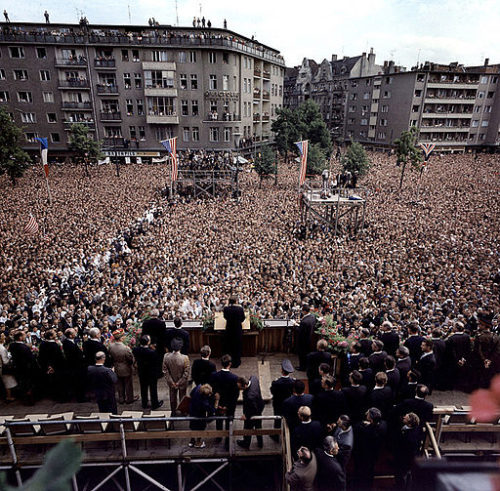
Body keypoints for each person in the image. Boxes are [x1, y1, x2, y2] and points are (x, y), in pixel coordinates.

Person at [353, 408, 388, 491]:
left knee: (360, 470)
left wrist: (364, 424)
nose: (366, 414)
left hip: (363, 454)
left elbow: (356, 427)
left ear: (371, 420)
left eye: (367, 414)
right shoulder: (384, 425)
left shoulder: (364, 430)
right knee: (370, 470)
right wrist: (370, 424)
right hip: (375, 453)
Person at [9, 330, 39, 405]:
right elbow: (31, 359)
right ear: (20, 337)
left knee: (22, 384)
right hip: (27, 368)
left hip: (18, 367)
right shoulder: (24, 347)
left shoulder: (12, 345)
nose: (25, 336)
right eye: (24, 335)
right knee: (28, 385)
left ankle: (24, 398)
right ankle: (30, 401)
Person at [133, 335, 163, 409]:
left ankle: (144, 403)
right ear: (148, 342)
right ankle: (155, 403)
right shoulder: (152, 352)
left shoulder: (136, 350)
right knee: (153, 389)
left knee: (143, 388)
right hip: (151, 373)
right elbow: (157, 361)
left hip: (142, 372)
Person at [394, 412, 422, 489]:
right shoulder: (415, 428)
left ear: (410, 422)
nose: (403, 418)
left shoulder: (410, 437)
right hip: (407, 457)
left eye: (405, 418)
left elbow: (408, 451)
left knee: (402, 476)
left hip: (405, 459)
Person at [109, 328, 137, 404]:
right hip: (126, 368)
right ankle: (129, 399)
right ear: (121, 338)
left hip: (117, 367)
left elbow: (110, 356)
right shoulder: (125, 348)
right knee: (128, 385)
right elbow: (131, 360)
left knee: (119, 384)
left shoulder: (111, 346)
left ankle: (121, 398)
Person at [38, 329, 67, 401]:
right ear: (51, 337)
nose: (56, 334)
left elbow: (41, 356)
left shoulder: (43, 344)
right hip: (55, 366)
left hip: (47, 366)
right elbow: (58, 357)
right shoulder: (54, 345)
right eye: (54, 333)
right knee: (57, 382)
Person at [237, 375, 265, 449]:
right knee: (258, 427)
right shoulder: (254, 379)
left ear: (245, 385)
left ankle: (246, 443)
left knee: (247, 428)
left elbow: (253, 409)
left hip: (253, 412)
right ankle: (260, 443)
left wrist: (246, 415)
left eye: (241, 388)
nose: (240, 389)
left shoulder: (250, 396)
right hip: (260, 405)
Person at [163, 338, 190, 413]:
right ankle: (183, 411)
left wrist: (171, 382)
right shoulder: (185, 358)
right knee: (182, 397)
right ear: (181, 347)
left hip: (171, 382)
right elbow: (186, 373)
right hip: (182, 382)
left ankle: (173, 411)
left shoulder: (166, 357)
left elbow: (165, 371)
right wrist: (179, 382)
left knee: (172, 397)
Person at [270, 359, 295, 437]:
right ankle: (286, 434)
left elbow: (272, 391)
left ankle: (276, 435)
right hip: (288, 403)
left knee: (277, 418)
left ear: (281, 370)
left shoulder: (276, 383)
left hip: (278, 403)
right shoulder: (293, 382)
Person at [63, 328, 87, 402]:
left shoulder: (71, 342)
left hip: (77, 366)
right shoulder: (68, 344)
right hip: (76, 366)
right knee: (78, 383)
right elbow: (74, 356)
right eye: (74, 332)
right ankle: (81, 398)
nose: (76, 332)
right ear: (70, 335)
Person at [189, 383, 215, 448]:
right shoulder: (204, 401)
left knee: (193, 426)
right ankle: (198, 442)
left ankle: (192, 441)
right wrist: (216, 403)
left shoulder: (198, 387)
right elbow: (210, 409)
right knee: (200, 427)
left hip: (192, 410)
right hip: (200, 414)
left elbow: (191, 394)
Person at [141, 309, 167, 375]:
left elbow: (143, 334)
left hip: (148, 343)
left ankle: (150, 372)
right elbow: (164, 335)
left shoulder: (146, 323)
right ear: (158, 315)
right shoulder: (162, 323)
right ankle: (159, 372)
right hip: (159, 344)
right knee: (159, 358)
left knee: (149, 359)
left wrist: (150, 343)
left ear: (150, 314)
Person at [223, 296, 245, 368]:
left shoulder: (226, 309)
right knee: (237, 346)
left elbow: (225, 317)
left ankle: (229, 362)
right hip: (237, 330)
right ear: (236, 301)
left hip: (229, 329)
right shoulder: (240, 309)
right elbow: (242, 318)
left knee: (229, 346)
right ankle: (236, 363)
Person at [296, 304, 316, 371]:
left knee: (302, 354)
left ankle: (302, 367)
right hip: (310, 339)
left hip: (303, 340)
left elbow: (300, 331)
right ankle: (306, 366)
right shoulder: (313, 317)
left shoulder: (304, 322)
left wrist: (296, 325)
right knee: (307, 354)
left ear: (304, 311)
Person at [0, 333, 17, 401]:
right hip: (2, 367)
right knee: (8, 382)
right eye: (3, 336)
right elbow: (5, 361)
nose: (4, 337)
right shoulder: (2, 348)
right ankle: (9, 397)